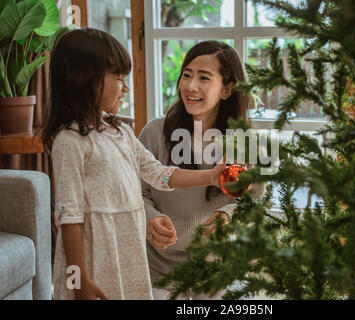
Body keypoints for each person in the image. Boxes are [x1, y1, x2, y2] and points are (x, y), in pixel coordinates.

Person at [43, 29, 226, 300]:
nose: (126, 87)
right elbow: (68, 218)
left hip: (129, 253)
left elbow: (160, 174)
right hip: (94, 257)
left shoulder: (123, 133)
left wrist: (210, 176)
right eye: (119, 78)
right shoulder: (70, 142)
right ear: (86, 80)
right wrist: (79, 280)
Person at [139, 40, 262, 300]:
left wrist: (227, 216)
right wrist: (149, 218)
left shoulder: (244, 141)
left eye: (204, 78)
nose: (190, 86)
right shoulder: (154, 133)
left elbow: (254, 199)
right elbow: (135, 192)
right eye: (186, 75)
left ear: (227, 90)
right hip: (159, 268)